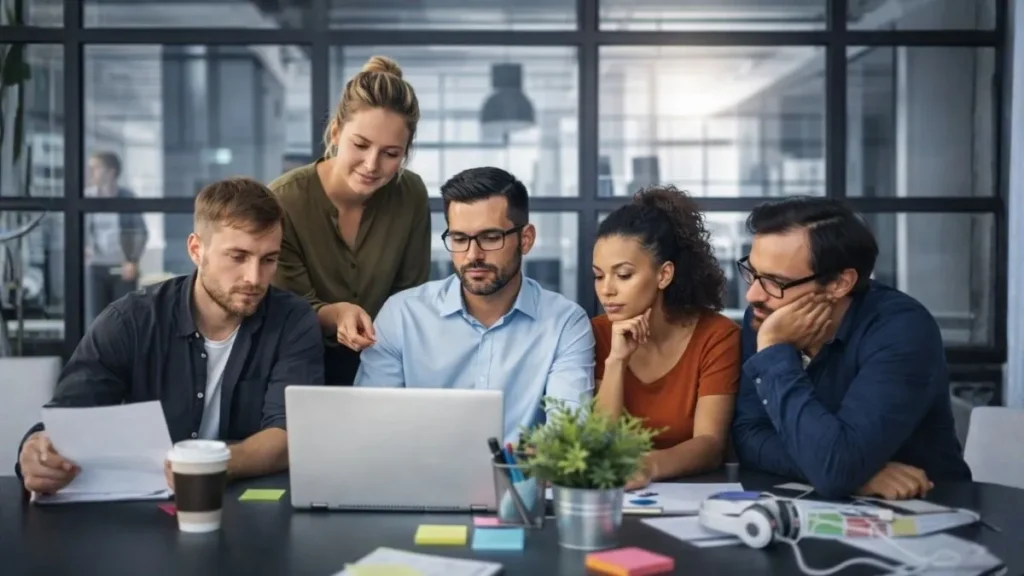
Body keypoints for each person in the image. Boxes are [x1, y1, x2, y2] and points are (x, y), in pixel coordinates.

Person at [16, 178, 325, 496]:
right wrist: (37, 450)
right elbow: (70, 414)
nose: (254, 277)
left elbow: (288, 433)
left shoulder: (293, 321)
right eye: (237, 256)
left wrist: (208, 465)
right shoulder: (132, 320)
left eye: (268, 260)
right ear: (196, 249)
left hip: (249, 504)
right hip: (143, 511)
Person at [730, 197, 972, 500]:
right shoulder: (767, 316)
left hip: (929, 511)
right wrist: (853, 475)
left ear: (839, 284)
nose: (753, 295)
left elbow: (835, 470)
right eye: (752, 273)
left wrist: (774, 350)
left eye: (775, 281)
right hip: (816, 508)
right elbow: (749, 435)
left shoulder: (901, 330)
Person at [354, 167, 595, 442]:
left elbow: (568, 435)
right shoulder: (401, 316)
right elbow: (372, 428)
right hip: (421, 480)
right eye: (459, 239)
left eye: (491, 238)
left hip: (522, 482)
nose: (472, 255)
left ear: (525, 240)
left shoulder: (565, 323)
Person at [270, 55, 430, 385]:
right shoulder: (284, 200)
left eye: (391, 154)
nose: (372, 165)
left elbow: (411, 295)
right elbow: (286, 308)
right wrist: (337, 314)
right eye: (360, 145)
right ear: (336, 131)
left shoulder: (410, 193)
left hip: (385, 363)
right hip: (296, 366)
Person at [591, 186, 739, 490]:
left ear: (664, 275)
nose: (607, 289)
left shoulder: (717, 337)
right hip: (614, 495)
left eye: (623, 275)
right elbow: (599, 444)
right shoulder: (594, 333)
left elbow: (710, 444)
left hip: (692, 497)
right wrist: (617, 360)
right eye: (598, 275)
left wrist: (647, 467)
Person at [84, 151, 149, 326]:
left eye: (96, 168)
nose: (91, 172)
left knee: (124, 317)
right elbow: (80, 227)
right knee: (97, 320)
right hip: (96, 265)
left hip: (122, 266)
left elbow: (140, 230)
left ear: (111, 172)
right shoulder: (87, 197)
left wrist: (132, 260)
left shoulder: (126, 197)